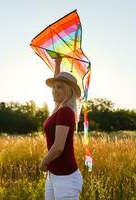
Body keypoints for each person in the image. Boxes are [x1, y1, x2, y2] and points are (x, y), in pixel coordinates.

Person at [39, 58, 83, 200]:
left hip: (66, 179)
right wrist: (57, 63)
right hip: (53, 176)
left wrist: (44, 162)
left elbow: (58, 147)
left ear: (69, 91)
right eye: (54, 87)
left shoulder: (65, 112)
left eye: (60, 87)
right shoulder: (58, 109)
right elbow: (58, 84)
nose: (55, 90)